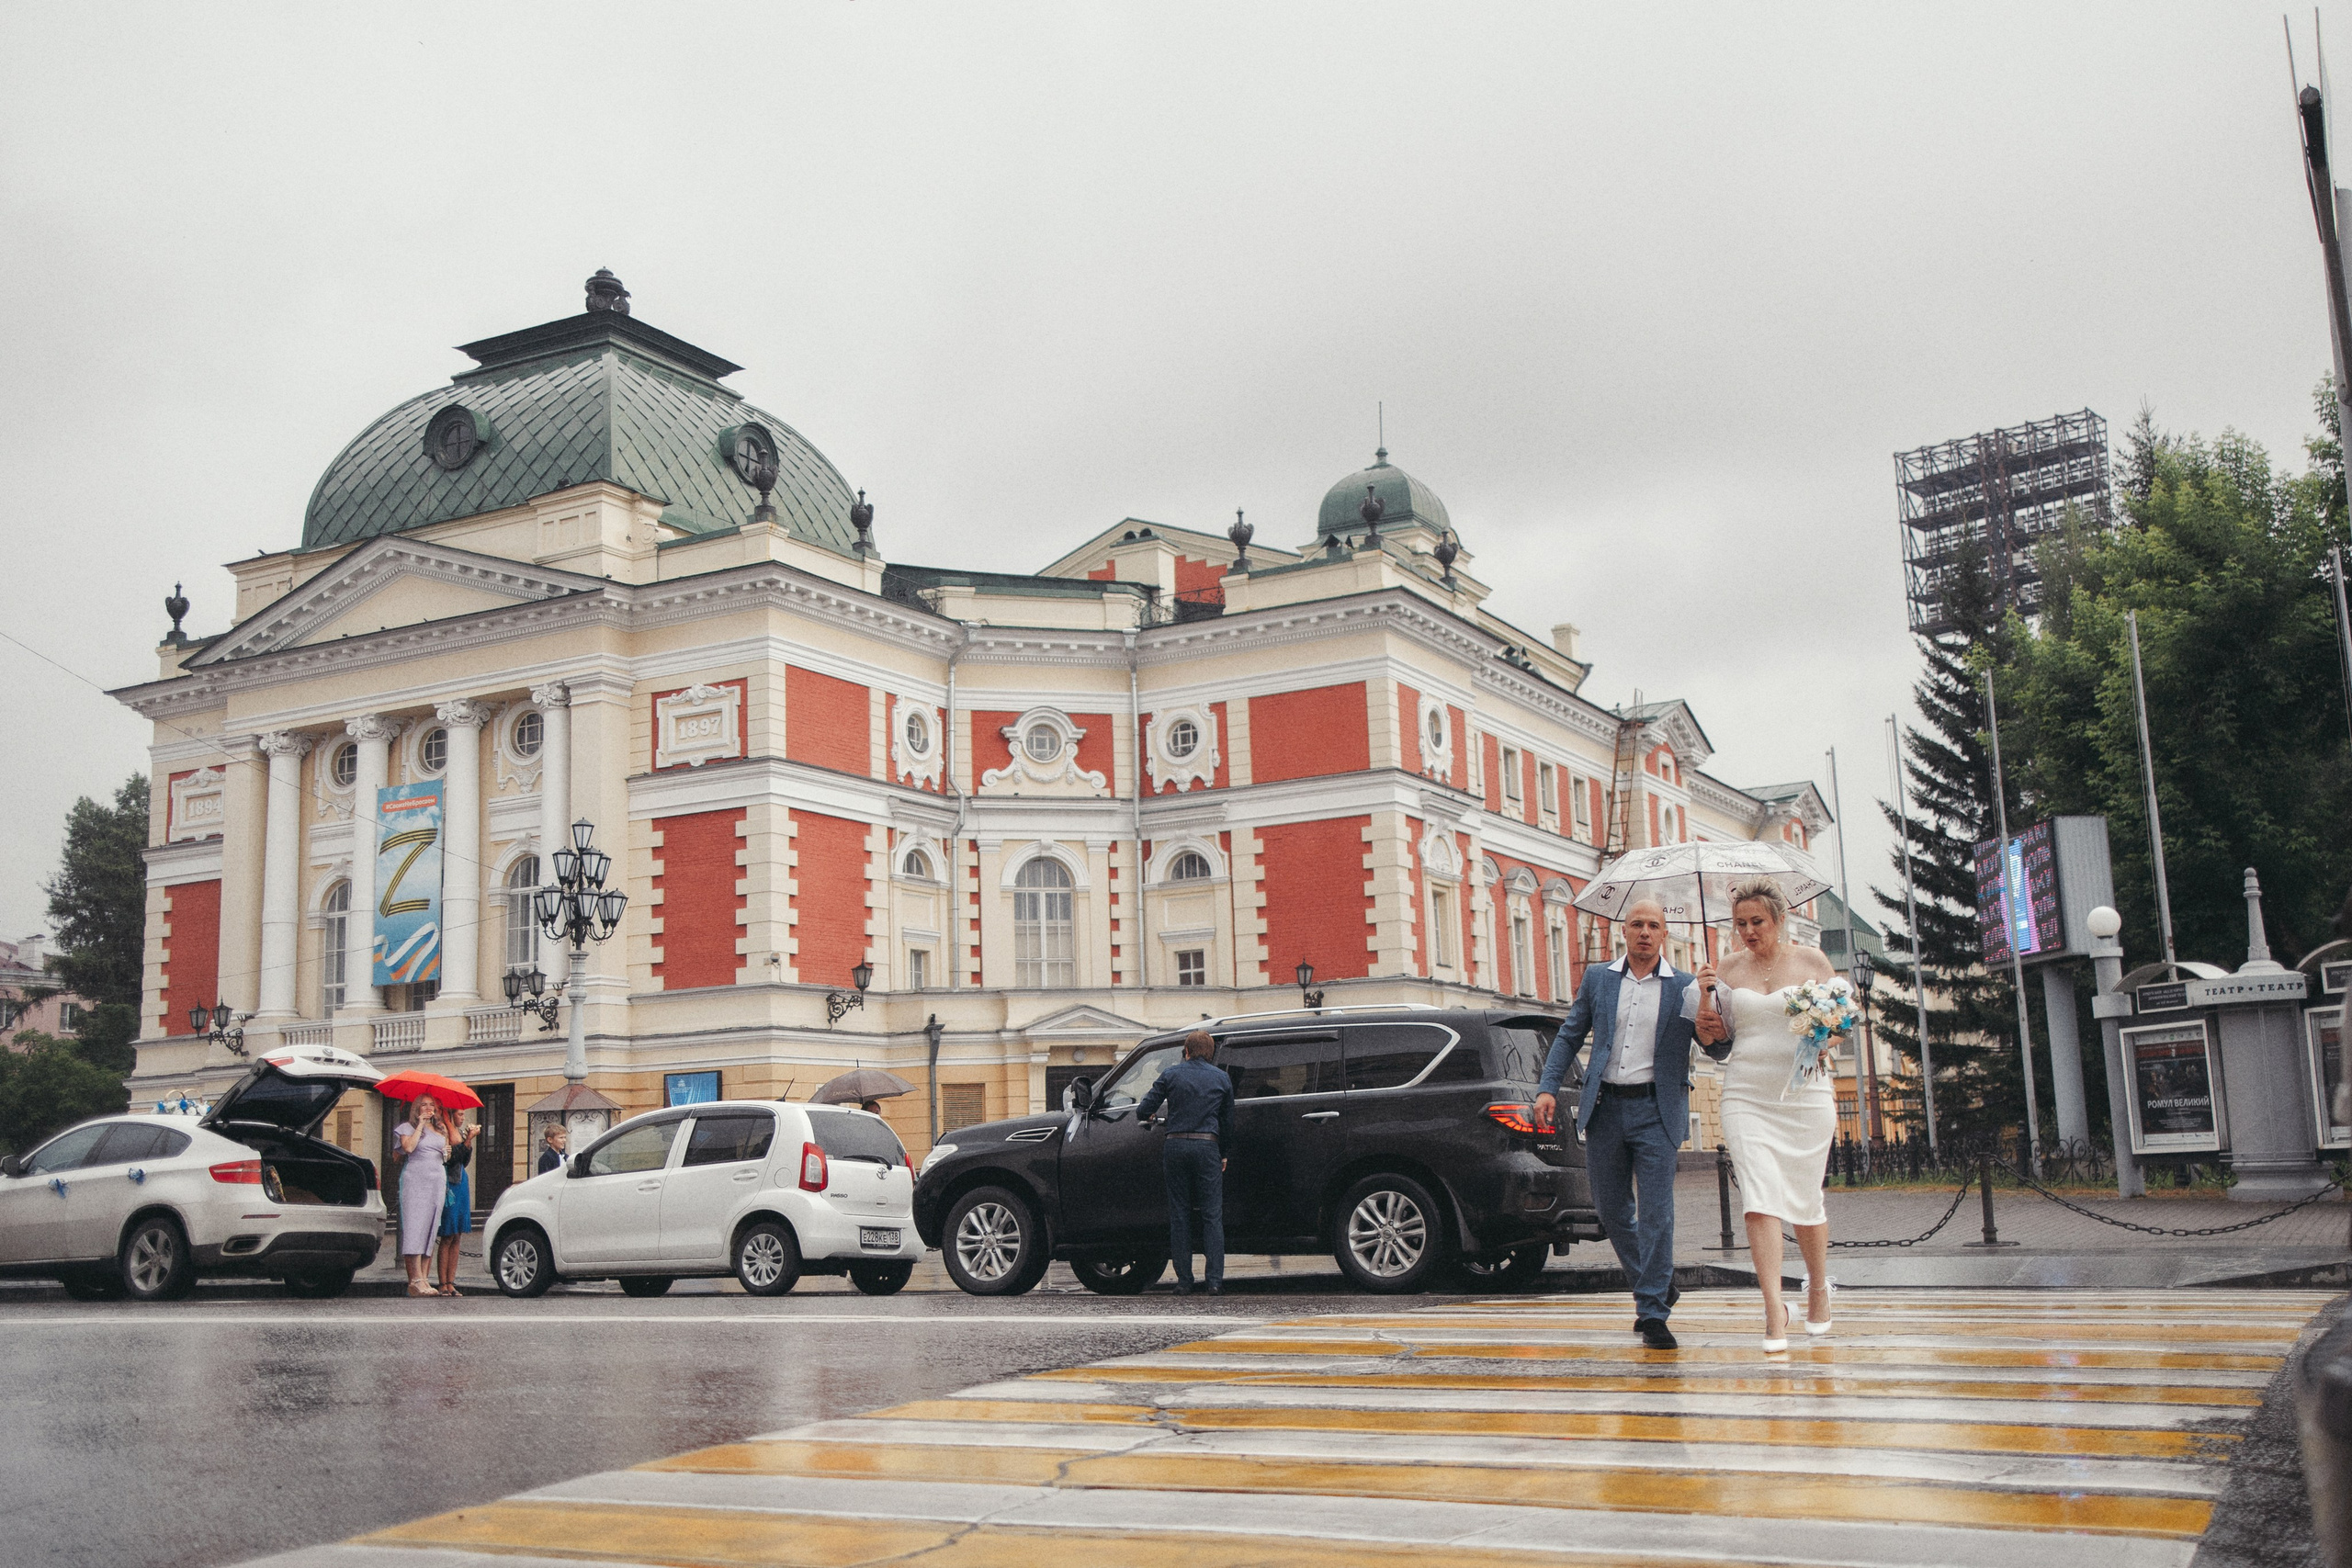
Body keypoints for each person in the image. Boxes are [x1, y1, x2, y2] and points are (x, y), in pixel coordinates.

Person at [1533, 897, 1726, 1350]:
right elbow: (1570, 1033)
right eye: (1637, 924)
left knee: (1658, 1214)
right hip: (1606, 1108)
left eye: (1653, 925)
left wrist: (1711, 1012)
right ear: (1624, 931)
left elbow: (1716, 1049)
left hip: (1657, 1111)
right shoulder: (1600, 979)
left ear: (1664, 934)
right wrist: (1547, 1086)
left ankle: (1652, 1311)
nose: (1644, 932)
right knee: (1612, 1210)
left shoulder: (1687, 987)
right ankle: (1658, 1284)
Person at [1706, 875, 1843, 1351]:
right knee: (1759, 1200)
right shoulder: (1725, 968)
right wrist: (1705, 1008)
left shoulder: (1810, 961)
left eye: (1757, 921)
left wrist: (1830, 1035)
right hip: (1745, 1094)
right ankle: (1772, 1307)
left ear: (1779, 920)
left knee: (1805, 1199)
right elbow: (1717, 1040)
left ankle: (1818, 1287)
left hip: (1804, 1094)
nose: (1748, 931)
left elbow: (1845, 1018)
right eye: (1740, 923)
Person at [1136, 1030, 1234, 1296]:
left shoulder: (1171, 1074)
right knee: (1212, 1215)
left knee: (1179, 1215)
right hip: (1207, 1146)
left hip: (1176, 1145)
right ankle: (1214, 1281)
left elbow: (1143, 1110)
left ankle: (1184, 1282)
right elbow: (1228, 1123)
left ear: (1186, 1050)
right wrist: (1222, 1153)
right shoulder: (1222, 1078)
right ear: (1210, 1053)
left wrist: (1155, 1115)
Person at [391, 1094, 450, 1298]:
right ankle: (414, 1280)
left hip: (437, 1180)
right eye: (423, 1105)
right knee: (416, 1226)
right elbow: (408, 1148)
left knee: (431, 1227)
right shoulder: (407, 1128)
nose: (428, 1108)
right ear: (416, 1108)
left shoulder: (440, 1128)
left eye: (431, 1105)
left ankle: (424, 1278)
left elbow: (445, 1156)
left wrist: (447, 1151)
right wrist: (420, 1125)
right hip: (417, 1180)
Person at [433, 1109, 478, 1297]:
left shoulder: (457, 1132)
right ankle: (442, 1282)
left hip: (461, 1182)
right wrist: (468, 1140)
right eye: (459, 1114)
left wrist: (468, 1140)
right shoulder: (444, 1130)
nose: (463, 1118)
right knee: (448, 1234)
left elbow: (464, 1160)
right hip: (450, 1184)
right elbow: (452, 1159)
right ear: (450, 1115)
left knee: (457, 1234)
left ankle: (451, 1281)